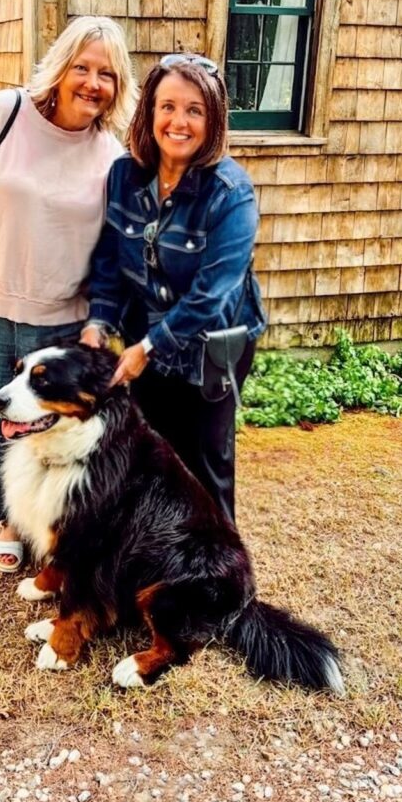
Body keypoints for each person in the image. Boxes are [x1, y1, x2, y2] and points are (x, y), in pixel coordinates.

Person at [0, 16, 136, 572]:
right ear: (60, 68)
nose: (93, 83)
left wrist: (100, 325)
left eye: (107, 74)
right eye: (83, 68)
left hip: (61, 319)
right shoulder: (4, 114)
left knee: (37, 430)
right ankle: (0, 516)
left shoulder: (111, 158)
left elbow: (111, 253)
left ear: (118, 86)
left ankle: (20, 525)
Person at [81, 54, 267, 523]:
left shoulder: (231, 193)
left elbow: (213, 295)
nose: (178, 122)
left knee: (206, 465)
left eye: (194, 110)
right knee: (154, 456)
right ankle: (160, 557)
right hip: (146, 337)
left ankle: (220, 580)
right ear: (150, 113)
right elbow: (109, 257)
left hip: (210, 347)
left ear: (213, 119)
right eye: (167, 107)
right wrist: (99, 322)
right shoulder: (125, 175)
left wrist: (148, 348)